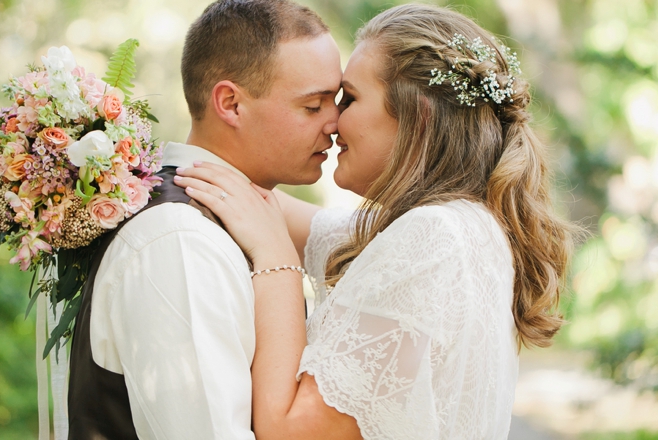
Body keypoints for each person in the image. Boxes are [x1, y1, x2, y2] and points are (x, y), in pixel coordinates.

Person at [174, 3, 577, 439]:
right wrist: (135, 168)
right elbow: (267, 209)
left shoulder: (435, 239)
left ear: (417, 118)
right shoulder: (462, 228)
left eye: (348, 98)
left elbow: (288, 431)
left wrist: (276, 262)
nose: (332, 121)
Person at [66, 0, 341, 438]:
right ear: (230, 103)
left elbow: (376, 239)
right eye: (313, 106)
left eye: (338, 101)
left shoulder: (239, 212)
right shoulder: (180, 241)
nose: (335, 124)